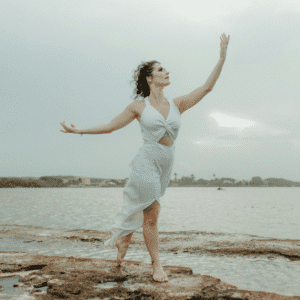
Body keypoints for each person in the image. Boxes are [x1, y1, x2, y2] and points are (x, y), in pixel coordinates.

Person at [60, 33, 230, 282]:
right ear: (150, 78)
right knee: (152, 211)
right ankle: (156, 266)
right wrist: (79, 130)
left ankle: (125, 238)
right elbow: (110, 126)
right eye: (161, 70)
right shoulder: (138, 107)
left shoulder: (178, 104)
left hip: (165, 165)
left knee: (147, 209)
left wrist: (222, 57)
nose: (167, 72)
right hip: (146, 163)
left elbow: (206, 87)